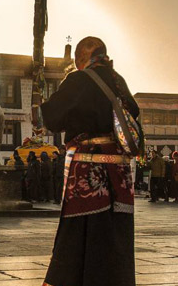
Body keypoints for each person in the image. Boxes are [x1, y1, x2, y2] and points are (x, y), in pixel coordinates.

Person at [40, 36, 141, 286]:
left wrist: (39, 107)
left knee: (80, 232)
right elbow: (134, 112)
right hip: (119, 173)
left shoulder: (78, 80)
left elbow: (52, 117)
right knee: (115, 234)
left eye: (77, 57)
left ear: (84, 56)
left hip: (88, 168)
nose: (75, 62)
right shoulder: (119, 81)